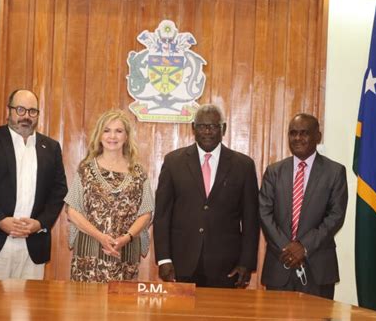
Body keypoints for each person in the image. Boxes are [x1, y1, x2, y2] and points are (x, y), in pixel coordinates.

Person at [0, 89, 68, 283]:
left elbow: (58, 191)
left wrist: (40, 223)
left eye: (32, 111)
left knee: (26, 311)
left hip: (32, 246)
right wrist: (0, 220)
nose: (26, 116)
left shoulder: (50, 147)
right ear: (9, 111)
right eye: (20, 109)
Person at [153, 104, 260, 288]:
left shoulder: (243, 165)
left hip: (227, 266)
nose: (207, 131)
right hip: (181, 263)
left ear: (223, 129)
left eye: (213, 126)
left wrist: (246, 263)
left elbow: (251, 220)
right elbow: (162, 216)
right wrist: (163, 259)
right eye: (202, 126)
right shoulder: (173, 162)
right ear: (193, 128)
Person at [259, 113, 348, 299]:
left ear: (318, 136)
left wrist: (304, 246)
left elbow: (336, 216)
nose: (297, 138)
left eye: (304, 133)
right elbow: (264, 212)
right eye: (293, 133)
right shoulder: (274, 171)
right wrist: (287, 248)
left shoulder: (335, 172)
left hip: (318, 267)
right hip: (279, 264)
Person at [65, 109, 153, 283]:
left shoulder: (138, 172)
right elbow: (72, 210)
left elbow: (146, 213)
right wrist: (101, 237)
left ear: (126, 137)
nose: (112, 136)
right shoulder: (86, 169)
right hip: (89, 252)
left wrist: (126, 238)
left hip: (125, 252)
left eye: (118, 131)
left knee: (123, 308)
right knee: (86, 307)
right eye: (107, 130)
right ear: (99, 135)